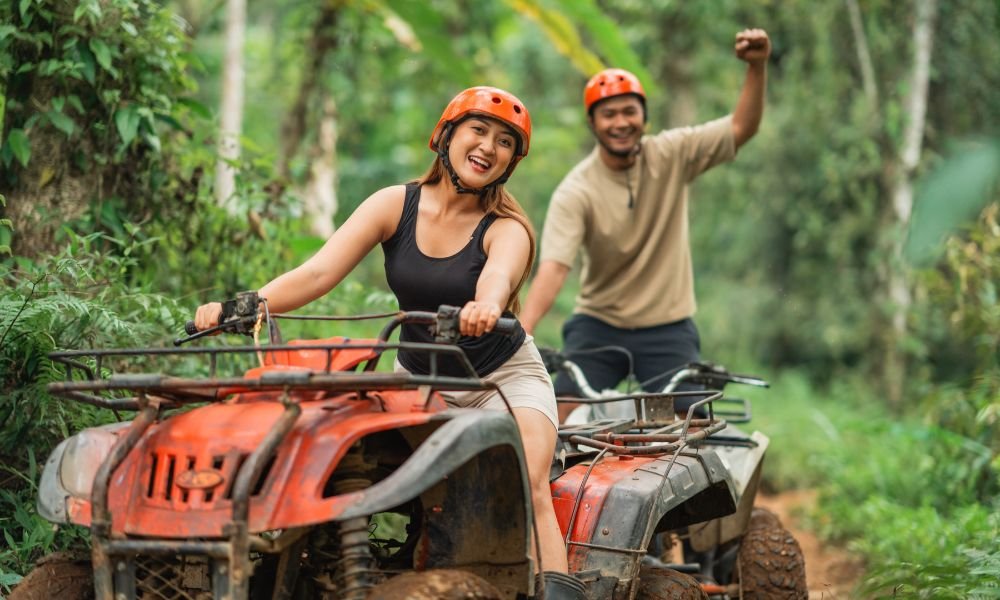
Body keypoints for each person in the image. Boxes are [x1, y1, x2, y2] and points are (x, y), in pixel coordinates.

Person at [193, 87, 585, 599]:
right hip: (418, 378)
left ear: (511, 161)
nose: (490, 147)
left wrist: (485, 305)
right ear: (445, 136)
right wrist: (244, 306)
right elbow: (318, 271)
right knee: (337, 456)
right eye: (479, 131)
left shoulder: (507, 228)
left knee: (528, 481)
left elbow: (499, 275)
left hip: (501, 380)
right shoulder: (395, 204)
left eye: (505, 142)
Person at [520, 29, 772, 419]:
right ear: (593, 122)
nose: (620, 122)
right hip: (599, 324)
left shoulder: (671, 154)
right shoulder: (576, 190)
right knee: (558, 412)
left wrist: (756, 66)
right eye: (608, 114)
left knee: (693, 424)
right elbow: (553, 268)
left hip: (667, 327)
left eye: (629, 111)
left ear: (644, 117)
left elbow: (742, 128)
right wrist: (522, 334)